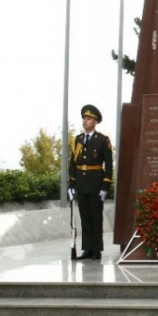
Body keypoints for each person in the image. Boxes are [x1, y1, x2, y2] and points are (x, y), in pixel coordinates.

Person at [68, 104, 114, 260]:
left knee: (96, 218)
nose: (85, 121)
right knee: (85, 218)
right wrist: (72, 184)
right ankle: (87, 249)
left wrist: (105, 186)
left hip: (95, 184)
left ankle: (96, 250)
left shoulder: (102, 140)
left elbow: (108, 165)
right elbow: (72, 164)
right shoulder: (78, 140)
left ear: (95, 121)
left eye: (88, 119)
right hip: (81, 184)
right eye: (84, 118)